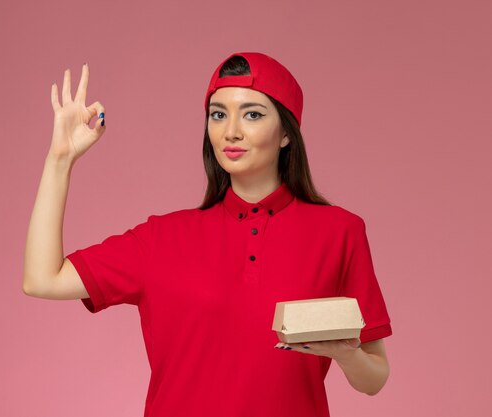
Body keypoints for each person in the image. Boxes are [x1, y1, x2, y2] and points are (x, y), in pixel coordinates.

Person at [23, 51, 393, 417]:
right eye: (218, 115)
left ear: (286, 133)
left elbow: (374, 378)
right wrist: (60, 160)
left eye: (252, 114)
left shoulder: (339, 232)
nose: (231, 131)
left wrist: (345, 353)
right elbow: (43, 279)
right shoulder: (162, 238)